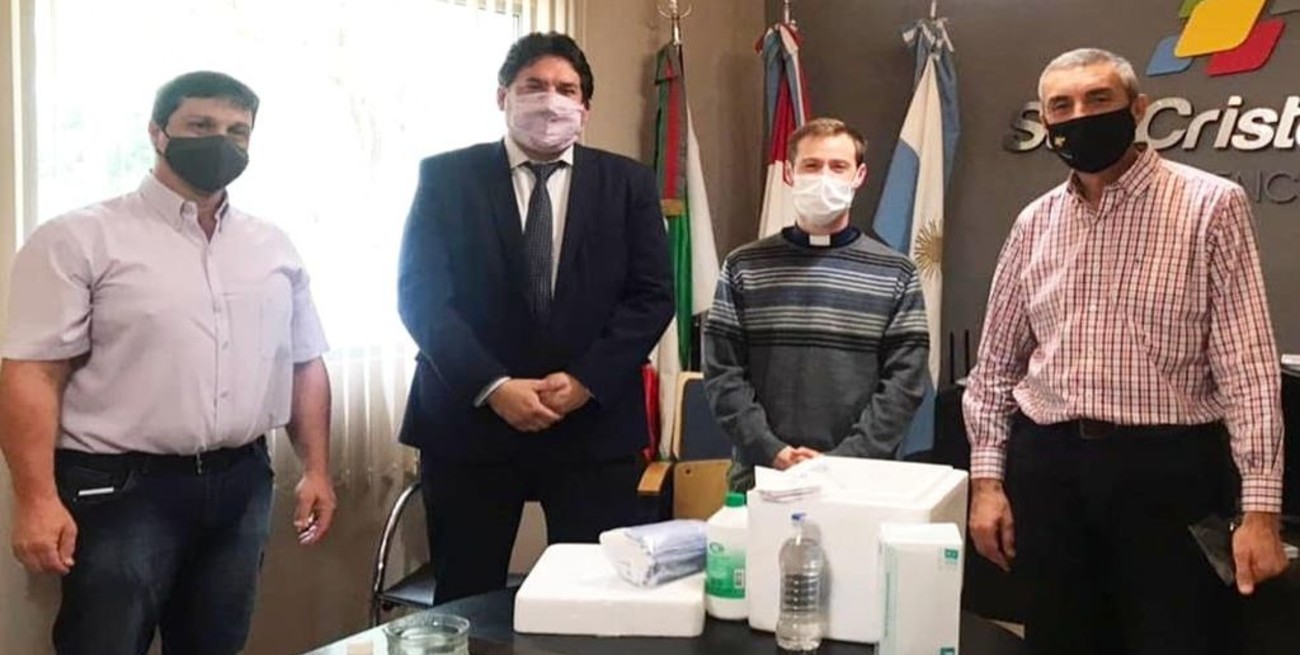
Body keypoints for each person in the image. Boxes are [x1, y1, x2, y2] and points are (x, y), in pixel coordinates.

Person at [963, 48, 1288, 655]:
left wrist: (1260, 512)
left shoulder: (1211, 205)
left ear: (1138, 109)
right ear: (1045, 121)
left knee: (1178, 640)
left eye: (1098, 99)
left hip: (1168, 474)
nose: (1079, 116)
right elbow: (995, 371)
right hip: (1050, 469)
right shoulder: (1034, 222)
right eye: (1061, 106)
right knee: (1059, 640)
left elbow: (1248, 370)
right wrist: (987, 485)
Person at [0, 71, 336, 655]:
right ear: (158, 133)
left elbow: (304, 363)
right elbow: (31, 372)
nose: (221, 141)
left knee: (216, 644)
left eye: (237, 131)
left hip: (242, 481)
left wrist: (318, 469)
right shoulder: (79, 238)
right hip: (121, 489)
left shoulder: (272, 246)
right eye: (200, 125)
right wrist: (35, 499)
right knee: (103, 644)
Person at [397, 32, 674, 604]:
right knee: (466, 598)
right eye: (534, 86)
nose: (551, 101)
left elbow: (651, 297)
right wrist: (493, 386)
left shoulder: (629, 184)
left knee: (594, 600)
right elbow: (422, 296)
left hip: (592, 426)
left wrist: (585, 381)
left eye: (566, 90)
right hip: (470, 422)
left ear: (585, 108)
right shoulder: (447, 178)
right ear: (503, 96)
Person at [702, 117, 929, 491]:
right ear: (789, 173)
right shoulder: (744, 266)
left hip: (861, 476)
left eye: (838, 166)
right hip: (761, 472)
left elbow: (905, 383)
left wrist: (845, 459)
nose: (824, 177)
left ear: (859, 176)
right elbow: (722, 373)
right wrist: (771, 450)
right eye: (811, 165)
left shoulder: (897, 272)